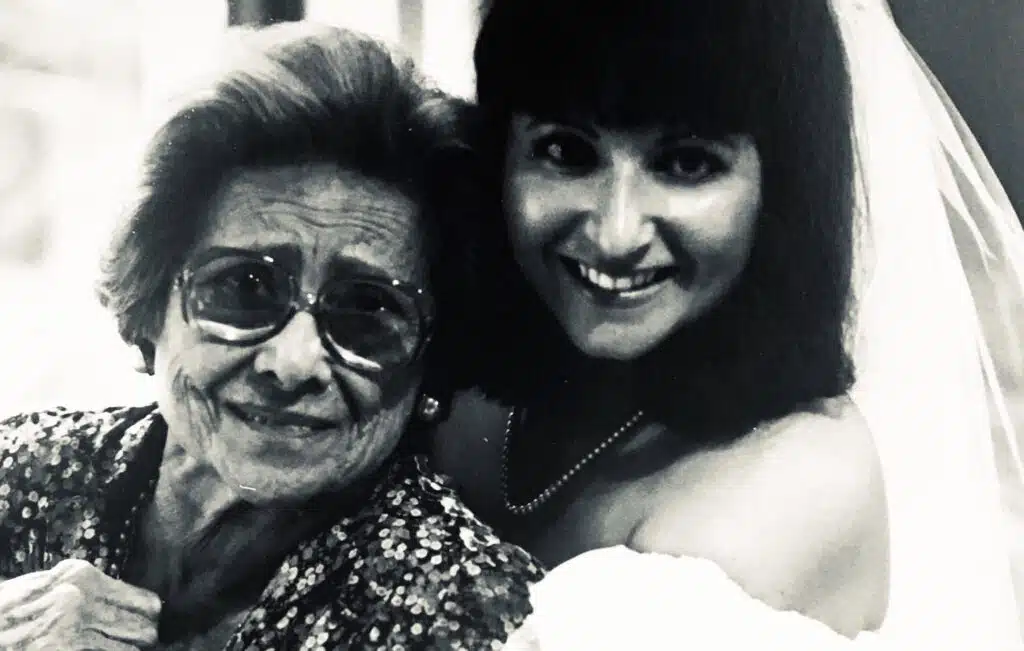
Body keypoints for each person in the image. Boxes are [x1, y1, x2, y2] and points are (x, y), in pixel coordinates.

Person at [435, 0, 1024, 647]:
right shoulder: (465, 394)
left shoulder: (790, 490)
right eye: (566, 151)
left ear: (780, 190)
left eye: (686, 164)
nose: (615, 230)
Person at [0, 23, 543, 650]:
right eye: (245, 289)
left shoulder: (461, 610)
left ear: (432, 366)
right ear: (152, 302)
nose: (292, 362)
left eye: (367, 313)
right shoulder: (24, 472)